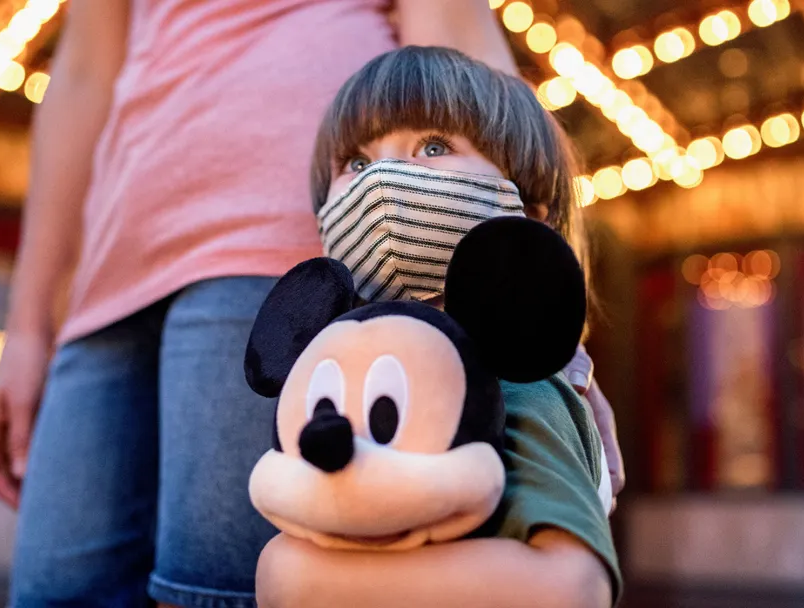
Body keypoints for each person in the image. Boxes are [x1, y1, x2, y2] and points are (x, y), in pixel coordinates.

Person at [0, 2, 622, 607]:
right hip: (108, 274)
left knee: (218, 589)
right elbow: (83, 72)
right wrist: (25, 329)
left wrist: (542, 309)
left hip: (286, 255)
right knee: (55, 589)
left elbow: (461, 51)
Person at [254, 45, 620, 607]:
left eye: (433, 146)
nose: (380, 181)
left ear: (526, 211)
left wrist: (290, 575)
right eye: (355, 162)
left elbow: (572, 586)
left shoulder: (518, 386)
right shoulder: (340, 372)